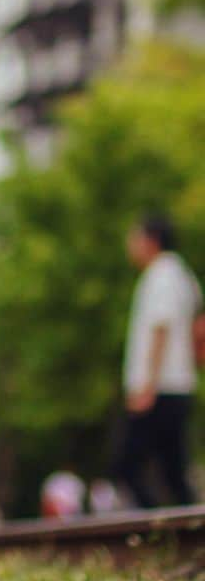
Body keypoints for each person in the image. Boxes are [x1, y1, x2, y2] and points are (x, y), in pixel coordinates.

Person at [114, 214, 202, 508]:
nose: (131, 245)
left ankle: (156, 533)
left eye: (135, 238)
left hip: (160, 388)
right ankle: (184, 534)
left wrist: (146, 385)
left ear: (150, 240)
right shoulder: (183, 276)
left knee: (127, 465)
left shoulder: (161, 275)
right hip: (178, 385)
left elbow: (161, 329)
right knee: (173, 471)